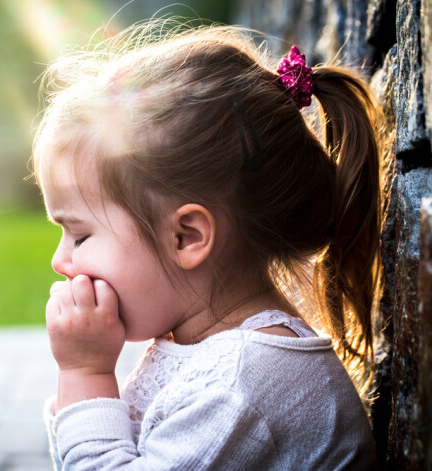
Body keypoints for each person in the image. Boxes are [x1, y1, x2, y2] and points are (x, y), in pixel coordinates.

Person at [33, 20, 381, 470]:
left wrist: (85, 375)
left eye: (80, 235)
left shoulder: (240, 384)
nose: (61, 261)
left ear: (187, 237)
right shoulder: (211, 354)